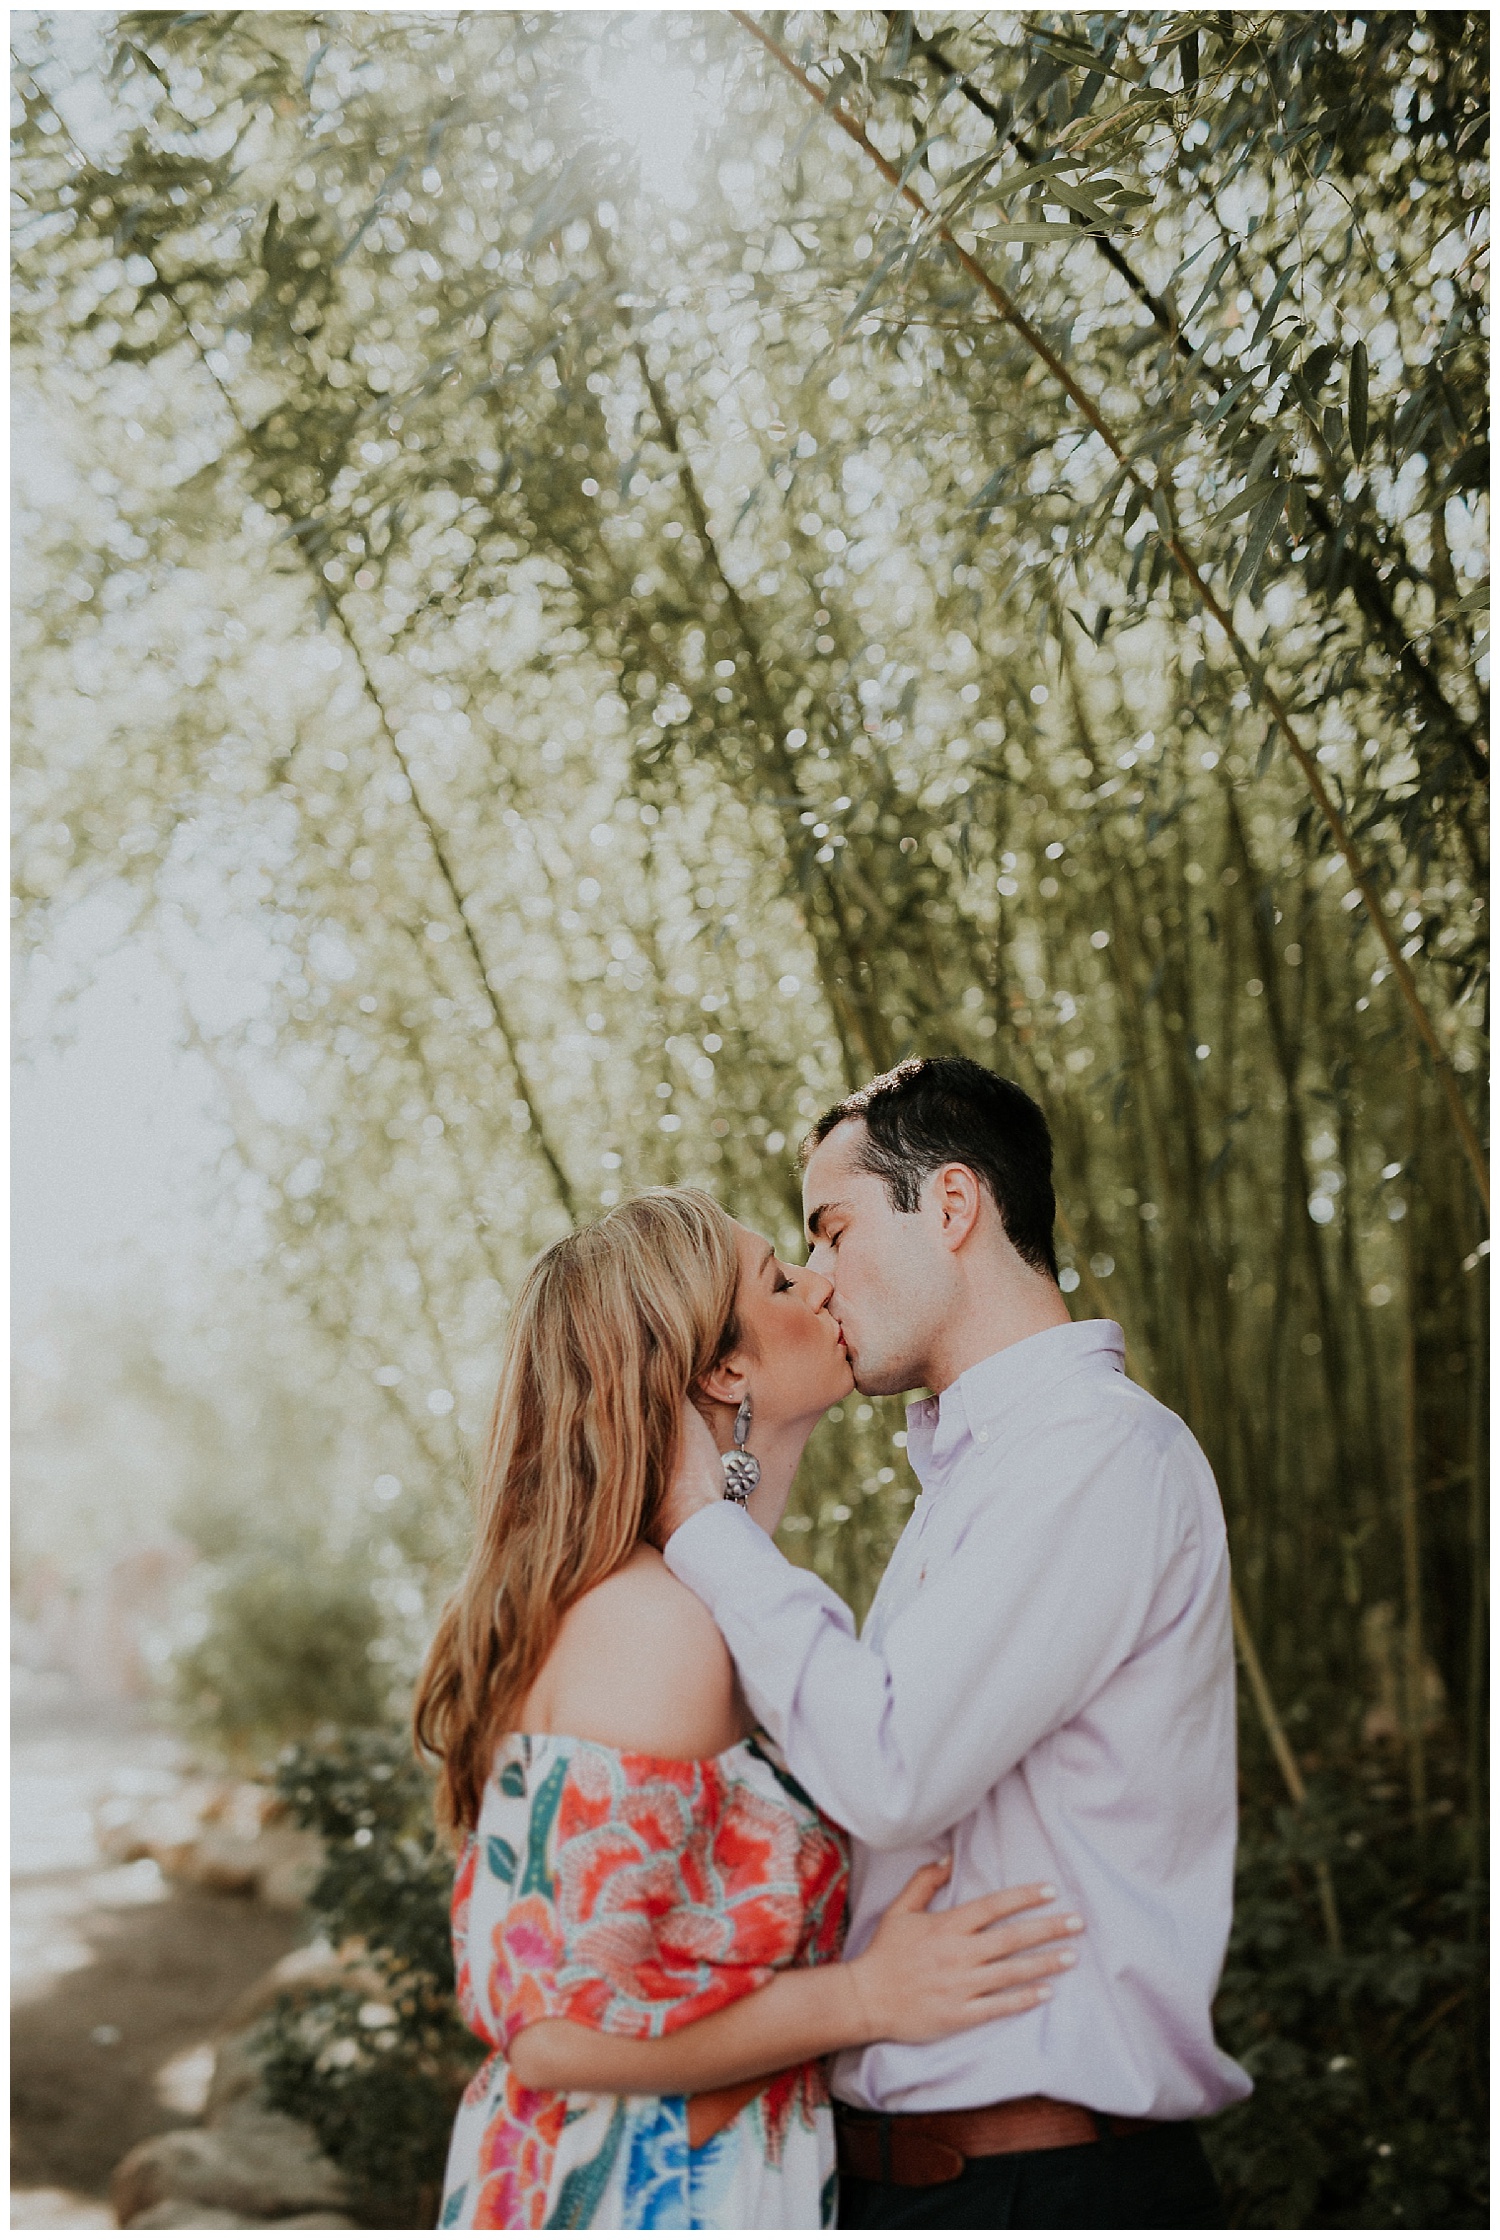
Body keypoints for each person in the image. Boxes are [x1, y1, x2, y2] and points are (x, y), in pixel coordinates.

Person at [656, 1057, 1253, 2231]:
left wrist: (703, 1525)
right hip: (921, 2175)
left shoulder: (1091, 1452)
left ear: (953, 1205)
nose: (818, 1281)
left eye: (831, 1230)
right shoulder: (973, 1482)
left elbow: (889, 1767)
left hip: (1042, 2187)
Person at [414, 1187, 1082, 2231]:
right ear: (723, 1368)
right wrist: (864, 1999)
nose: (821, 1281)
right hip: (643, 2194)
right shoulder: (655, 1629)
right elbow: (554, 2030)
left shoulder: (683, 1606)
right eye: (780, 1277)